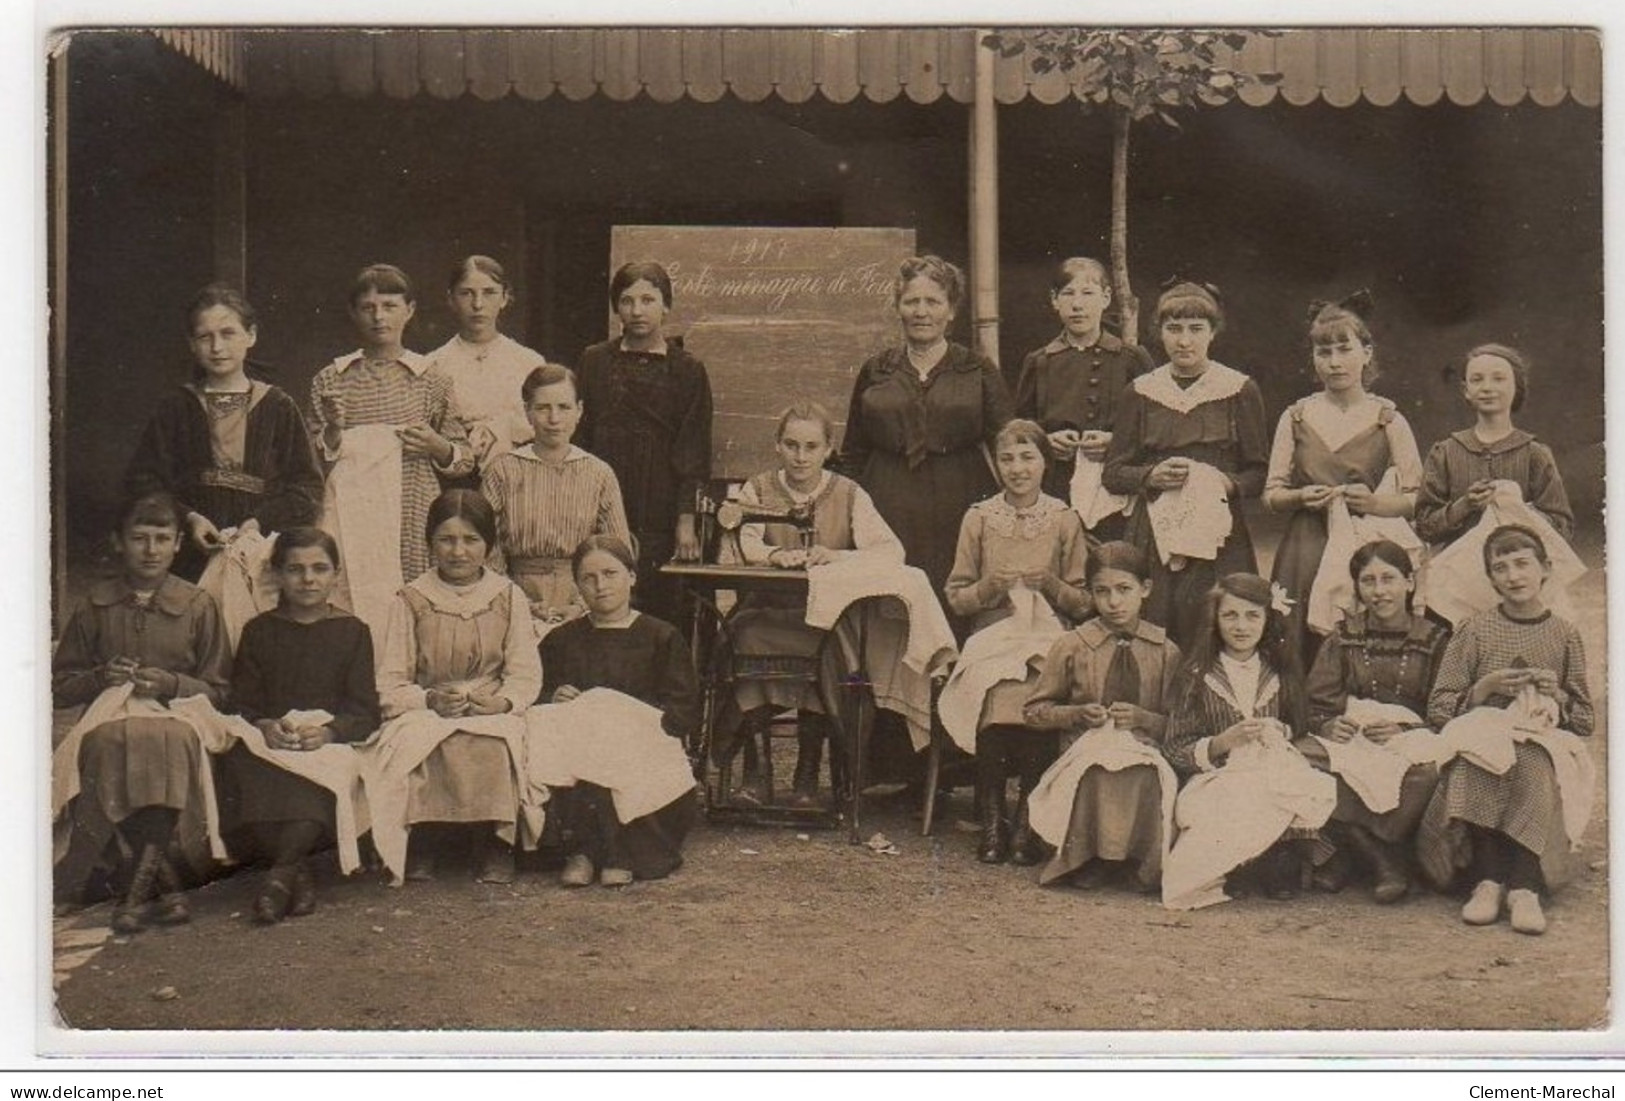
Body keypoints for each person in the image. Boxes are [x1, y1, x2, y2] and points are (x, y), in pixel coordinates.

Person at [51, 492, 231, 932]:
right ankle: (164, 882)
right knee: (112, 740)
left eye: (162, 538)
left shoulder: (198, 604)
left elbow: (221, 690)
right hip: (110, 711)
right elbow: (59, 689)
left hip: (181, 712)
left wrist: (170, 683)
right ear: (119, 542)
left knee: (168, 738)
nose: (151, 550)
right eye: (139, 538)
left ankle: (137, 886)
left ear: (177, 546)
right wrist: (100, 676)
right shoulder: (95, 605)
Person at [725, 400, 905, 808]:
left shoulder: (849, 493)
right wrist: (773, 556)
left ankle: (807, 771)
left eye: (810, 446)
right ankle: (758, 772)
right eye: (791, 445)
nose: (800, 456)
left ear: (828, 449)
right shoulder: (757, 489)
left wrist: (837, 555)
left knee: (826, 647)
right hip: (765, 610)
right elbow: (742, 542)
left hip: (826, 617)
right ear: (777, 446)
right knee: (740, 638)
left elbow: (890, 550)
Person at [1417, 524, 1594, 935]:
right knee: (1479, 761)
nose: (1514, 576)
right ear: (1490, 578)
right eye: (1501, 567)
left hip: (1540, 736)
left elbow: (1585, 718)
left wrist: (1560, 696)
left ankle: (1525, 886)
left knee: (1529, 760)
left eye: (1522, 564)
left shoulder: (1564, 633)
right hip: (1480, 731)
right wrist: (1484, 688)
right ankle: (1487, 880)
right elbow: (1440, 709)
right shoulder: (1473, 630)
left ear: (1545, 569)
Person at [941, 419, 1091, 865]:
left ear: (1046, 462)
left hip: (1047, 637)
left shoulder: (1065, 519)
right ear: (995, 464)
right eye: (1007, 458)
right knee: (994, 692)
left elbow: (1083, 603)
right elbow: (957, 596)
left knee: (1037, 696)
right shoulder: (980, 517)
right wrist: (989, 587)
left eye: (1028, 457)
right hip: (992, 637)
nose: (1018, 468)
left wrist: (1050, 584)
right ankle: (992, 822)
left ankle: (1026, 822)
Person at [373, 490, 541, 884]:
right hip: (428, 705)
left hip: (488, 703)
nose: (458, 552)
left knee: (494, 739)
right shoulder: (411, 598)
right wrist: (428, 699)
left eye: (471, 540)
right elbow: (391, 679)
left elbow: (525, 673)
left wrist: (501, 703)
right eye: (446, 540)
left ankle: (494, 842)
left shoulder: (507, 596)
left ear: (488, 545)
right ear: (430, 542)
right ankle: (427, 839)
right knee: (426, 740)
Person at [216, 527, 380, 924]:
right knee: (246, 763)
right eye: (296, 569)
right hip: (275, 742)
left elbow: (364, 709)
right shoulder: (259, 632)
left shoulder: (353, 632)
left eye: (320, 568)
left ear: (336, 575)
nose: (308, 579)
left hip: (326, 742)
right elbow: (243, 702)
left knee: (327, 774)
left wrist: (330, 732)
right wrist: (266, 723)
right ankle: (297, 874)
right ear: (277, 575)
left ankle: (279, 875)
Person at [1101, 280, 1269, 653]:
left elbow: (1258, 472)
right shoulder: (1142, 391)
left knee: (1213, 623)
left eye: (1196, 329)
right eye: (1173, 329)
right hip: (1154, 534)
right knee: (1156, 625)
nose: (1184, 341)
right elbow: (1113, 472)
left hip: (1219, 533)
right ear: (1159, 333)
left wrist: (1224, 484)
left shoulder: (1238, 389)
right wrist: (1150, 476)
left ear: (1212, 332)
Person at [309, 264, 475, 638]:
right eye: (368, 307)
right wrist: (335, 428)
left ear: (410, 310)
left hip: (412, 505)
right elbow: (315, 457)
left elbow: (464, 457)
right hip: (352, 509)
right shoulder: (331, 378)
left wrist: (437, 444)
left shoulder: (431, 378)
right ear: (353, 313)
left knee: (410, 595)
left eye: (389, 305)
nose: (379, 316)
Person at [839, 254, 1015, 603]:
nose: (922, 311)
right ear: (898, 307)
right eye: (912, 301)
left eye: (933, 301)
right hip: (887, 498)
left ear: (951, 311)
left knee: (953, 588)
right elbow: (854, 451)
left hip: (961, 497)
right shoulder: (876, 370)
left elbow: (1008, 444)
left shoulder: (977, 369)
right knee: (889, 591)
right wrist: (848, 515)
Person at [1264, 294, 1422, 664]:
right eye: (1323, 352)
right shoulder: (1297, 416)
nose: (1334, 363)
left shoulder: (1389, 419)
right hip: (1305, 546)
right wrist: (1301, 497)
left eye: (1344, 349)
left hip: (1364, 543)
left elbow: (1419, 498)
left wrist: (1375, 504)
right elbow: (1270, 495)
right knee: (1295, 637)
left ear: (1366, 353)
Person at [125, 284, 322, 581]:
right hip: (190, 555)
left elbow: (306, 487)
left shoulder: (278, 406)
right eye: (205, 337)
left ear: (251, 335)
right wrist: (188, 518)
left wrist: (259, 522)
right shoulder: (176, 407)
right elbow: (143, 480)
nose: (217, 347)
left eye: (228, 333)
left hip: (262, 552)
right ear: (192, 343)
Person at [539, 536, 701, 887]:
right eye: (589, 578)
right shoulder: (561, 640)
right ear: (577, 585)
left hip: (643, 755)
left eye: (611, 573)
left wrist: (631, 720)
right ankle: (584, 849)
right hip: (579, 757)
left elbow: (682, 708)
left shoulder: (662, 637)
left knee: (609, 731)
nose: (601, 586)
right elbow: (535, 693)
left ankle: (615, 851)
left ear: (631, 576)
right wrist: (554, 695)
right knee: (582, 736)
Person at [1024, 541, 1183, 892]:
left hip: (1145, 748)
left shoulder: (1165, 651)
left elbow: (1182, 724)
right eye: (1102, 591)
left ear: (1146, 589)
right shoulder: (1073, 645)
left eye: (1124, 590)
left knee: (1144, 773)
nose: (1114, 602)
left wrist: (1144, 718)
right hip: (1084, 749)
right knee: (1096, 771)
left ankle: (1138, 861)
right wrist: (1077, 713)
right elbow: (1034, 713)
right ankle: (1088, 857)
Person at [1162, 574, 1329, 908]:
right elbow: (1175, 747)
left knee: (1291, 783)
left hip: (1270, 769)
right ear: (1215, 620)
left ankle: (1278, 858)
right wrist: (1222, 742)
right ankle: (1237, 863)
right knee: (1233, 797)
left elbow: (1298, 724)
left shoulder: (1280, 670)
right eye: (1230, 615)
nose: (1241, 626)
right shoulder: (1196, 674)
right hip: (1218, 775)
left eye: (1252, 615)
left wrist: (1280, 731)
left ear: (1268, 620)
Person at [1300, 539, 1450, 904]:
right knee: (1300, 759)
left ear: (1409, 582)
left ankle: (1363, 851)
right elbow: (1317, 700)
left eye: (1389, 579)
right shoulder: (1343, 637)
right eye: (1368, 581)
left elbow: (1447, 706)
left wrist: (1408, 729)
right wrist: (1327, 725)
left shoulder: (1435, 639)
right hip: (1355, 734)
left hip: (1412, 734)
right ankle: (1376, 856)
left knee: (1425, 771)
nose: (1379, 591)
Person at [576, 261, 713, 624]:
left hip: (661, 509)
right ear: (616, 307)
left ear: (666, 306)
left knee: (662, 606)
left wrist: (686, 523)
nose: (637, 311)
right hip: (604, 499)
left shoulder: (688, 370)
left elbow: (694, 451)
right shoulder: (594, 362)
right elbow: (582, 439)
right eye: (627, 301)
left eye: (648, 300)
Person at [1012, 257, 1153, 538]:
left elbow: (1155, 425)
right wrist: (1045, 443)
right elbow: (1021, 430)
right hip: (1057, 485)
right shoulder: (1039, 361)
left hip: (1114, 487)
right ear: (1054, 300)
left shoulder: (1131, 358)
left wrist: (1116, 443)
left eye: (1088, 293)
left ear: (1106, 298)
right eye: (1068, 294)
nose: (1077, 304)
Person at [481, 363, 630, 629]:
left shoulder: (598, 473)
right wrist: (519, 603)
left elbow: (617, 552)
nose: (554, 419)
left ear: (580, 411)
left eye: (564, 407)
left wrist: (581, 606)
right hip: (513, 597)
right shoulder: (502, 470)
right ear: (527, 412)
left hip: (586, 596)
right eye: (542, 408)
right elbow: (486, 548)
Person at [1415, 343, 1574, 547]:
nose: (1487, 387)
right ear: (1466, 390)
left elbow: (1562, 529)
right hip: (1461, 571)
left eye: (1498, 379)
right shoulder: (1445, 452)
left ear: (1516, 386)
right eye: (1477, 379)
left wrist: (1518, 508)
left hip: (1519, 572)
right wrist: (1464, 505)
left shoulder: (1534, 454)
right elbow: (1424, 527)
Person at [428, 255, 547, 474]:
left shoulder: (530, 362)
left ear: (504, 298)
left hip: (521, 477)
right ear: (451, 299)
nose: (478, 304)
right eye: (466, 293)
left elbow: (544, 426)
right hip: (455, 483)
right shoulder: (433, 365)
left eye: (489, 292)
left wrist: (502, 430)